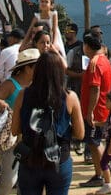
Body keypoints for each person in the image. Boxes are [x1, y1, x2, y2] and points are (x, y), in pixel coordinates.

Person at [12, 50, 85, 195]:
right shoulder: (70, 97)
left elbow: (15, 130)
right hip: (59, 161)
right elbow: (80, 134)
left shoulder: (23, 95)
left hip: (30, 161)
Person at [0, 48, 39, 195]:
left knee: (27, 179)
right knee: (9, 179)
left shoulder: (37, 84)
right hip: (12, 139)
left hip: (31, 137)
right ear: (28, 68)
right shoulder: (10, 84)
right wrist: (1, 103)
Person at [79, 33, 111, 188]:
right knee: (95, 142)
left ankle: (104, 176)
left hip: (96, 110)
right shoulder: (104, 60)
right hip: (102, 108)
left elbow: (95, 88)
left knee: (94, 142)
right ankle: (100, 173)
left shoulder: (94, 63)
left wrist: (90, 111)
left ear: (87, 46)